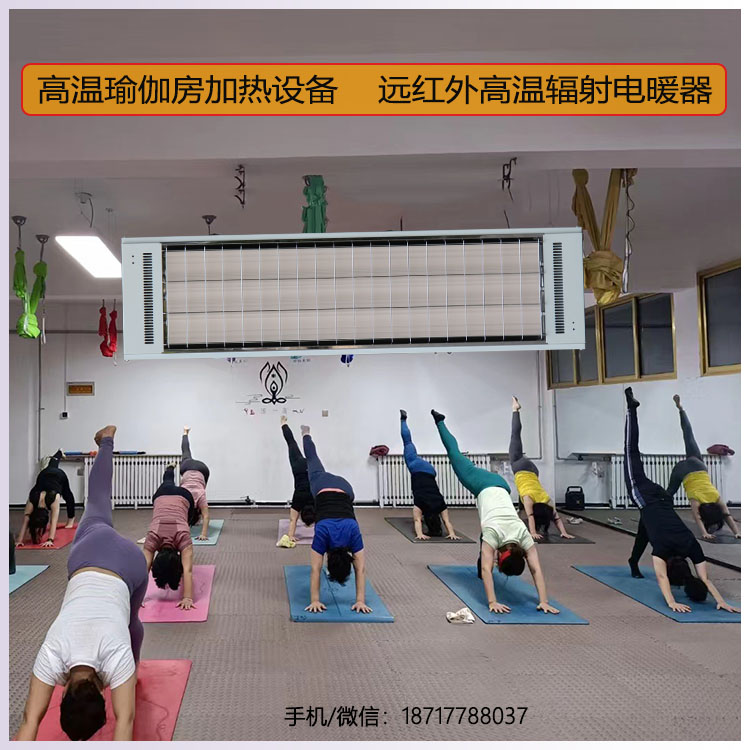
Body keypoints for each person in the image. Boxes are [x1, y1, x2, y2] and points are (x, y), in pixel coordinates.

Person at [17, 426, 148, 741]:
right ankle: (107, 440)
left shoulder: (116, 657)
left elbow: (124, 723)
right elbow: (29, 722)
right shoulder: (52, 653)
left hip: (132, 565)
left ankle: (133, 673)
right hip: (90, 554)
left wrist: (123, 676)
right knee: (98, 501)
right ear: (62, 696)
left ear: (103, 695)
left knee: (130, 621)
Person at [431, 409, 559, 616]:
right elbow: (488, 569)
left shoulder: (524, 537)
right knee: (454, 455)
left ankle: (441, 424)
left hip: (503, 487)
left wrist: (544, 601)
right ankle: (440, 422)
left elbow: (535, 569)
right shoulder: (493, 535)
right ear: (500, 557)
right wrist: (492, 602)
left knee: (485, 542)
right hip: (483, 484)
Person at [623, 388, 739, 614]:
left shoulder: (692, 546)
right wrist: (671, 602)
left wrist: (721, 600)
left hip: (664, 499)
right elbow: (662, 577)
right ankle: (631, 409)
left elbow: (704, 579)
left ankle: (633, 562)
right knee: (631, 450)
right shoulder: (661, 550)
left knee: (645, 528)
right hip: (645, 496)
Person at [300, 425, 371, 615]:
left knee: (313, 460)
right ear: (329, 560)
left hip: (346, 489)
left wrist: (360, 600)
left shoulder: (353, 532)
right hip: (322, 487)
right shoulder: (322, 532)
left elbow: (360, 569)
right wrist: (315, 600)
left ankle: (306, 434)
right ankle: (306, 435)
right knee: (312, 461)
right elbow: (315, 569)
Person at [666, 396, 740, 541]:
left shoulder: (716, 496)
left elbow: (727, 515)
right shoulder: (696, 500)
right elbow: (697, 517)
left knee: (688, 435)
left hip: (699, 466)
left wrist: (737, 532)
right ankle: (658, 511)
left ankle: (681, 409)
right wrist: (704, 532)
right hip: (682, 470)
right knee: (669, 493)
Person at [509, 398, 574, 541]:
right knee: (515, 435)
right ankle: (515, 409)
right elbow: (531, 517)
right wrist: (532, 532)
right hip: (520, 468)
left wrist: (564, 531)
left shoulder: (547, 500)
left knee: (516, 437)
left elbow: (556, 518)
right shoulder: (528, 499)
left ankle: (516, 410)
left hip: (533, 471)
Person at [141, 462, 202, 611]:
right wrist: (187, 598)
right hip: (169, 496)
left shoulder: (179, 537)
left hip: (176, 496)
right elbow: (187, 570)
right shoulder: (156, 537)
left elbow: (143, 568)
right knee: (168, 483)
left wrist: (137, 596)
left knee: (168, 484)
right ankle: (169, 468)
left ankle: (170, 469)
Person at [398, 410, 458, 540]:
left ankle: (404, 420)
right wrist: (419, 534)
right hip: (416, 467)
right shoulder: (420, 505)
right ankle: (403, 420)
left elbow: (447, 522)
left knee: (408, 443)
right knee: (407, 442)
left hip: (430, 471)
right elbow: (417, 520)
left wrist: (452, 533)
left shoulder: (441, 505)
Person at [16, 450, 76, 548]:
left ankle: (71, 519)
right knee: (52, 466)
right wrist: (19, 540)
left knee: (68, 496)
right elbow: (26, 520)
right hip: (44, 474)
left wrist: (50, 539)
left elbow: (53, 521)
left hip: (59, 476)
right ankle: (58, 453)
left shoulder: (53, 498)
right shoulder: (32, 498)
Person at [281, 415, 315, 542]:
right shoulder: (298, 501)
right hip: (298, 467)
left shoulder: (317, 501)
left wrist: (291, 536)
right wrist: (290, 536)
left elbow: (294, 520)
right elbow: (293, 520)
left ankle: (306, 434)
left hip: (311, 468)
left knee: (296, 445)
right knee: (291, 443)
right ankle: (283, 424)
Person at [179, 426, 211, 542]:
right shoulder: (186, 495)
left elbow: (178, 517)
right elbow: (206, 516)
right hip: (192, 467)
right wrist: (203, 535)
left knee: (201, 485)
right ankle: (185, 433)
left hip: (202, 470)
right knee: (186, 452)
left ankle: (185, 433)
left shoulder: (185, 499)